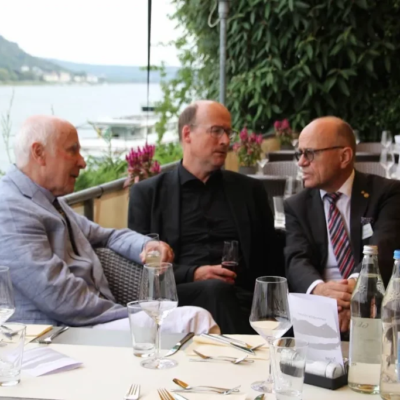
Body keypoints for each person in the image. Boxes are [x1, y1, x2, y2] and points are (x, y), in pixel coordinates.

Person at [0, 115, 219, 333]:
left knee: (201, 310)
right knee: (196, 320)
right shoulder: (11, 210)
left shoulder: (48, 201)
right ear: (39, 153)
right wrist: (131, 313)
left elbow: (107, 236)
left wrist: (145, 246)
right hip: (59, 334)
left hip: (92, 321)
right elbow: (59, 298)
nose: (82, 162)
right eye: (72, 150)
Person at [128, 100, 284, 333]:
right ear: (187, 133)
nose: (225, 141)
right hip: (180, 298)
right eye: (216, 131)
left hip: (244, 296)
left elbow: (272, 259)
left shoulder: (250, 191)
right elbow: (140, 267)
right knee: (215, 290)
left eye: (228, 132)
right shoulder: (148, 194)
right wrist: (194, 273)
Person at [285, 116, 400, 332]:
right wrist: (320, 292)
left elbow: (383, 248)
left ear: (344, 156)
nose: (301, 162)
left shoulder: (386, 193)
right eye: (299, 154)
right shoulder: (297, 206)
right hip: (318, 309)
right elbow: (296, 259)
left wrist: (355, 294)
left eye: (310, 153)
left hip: (375, 306)